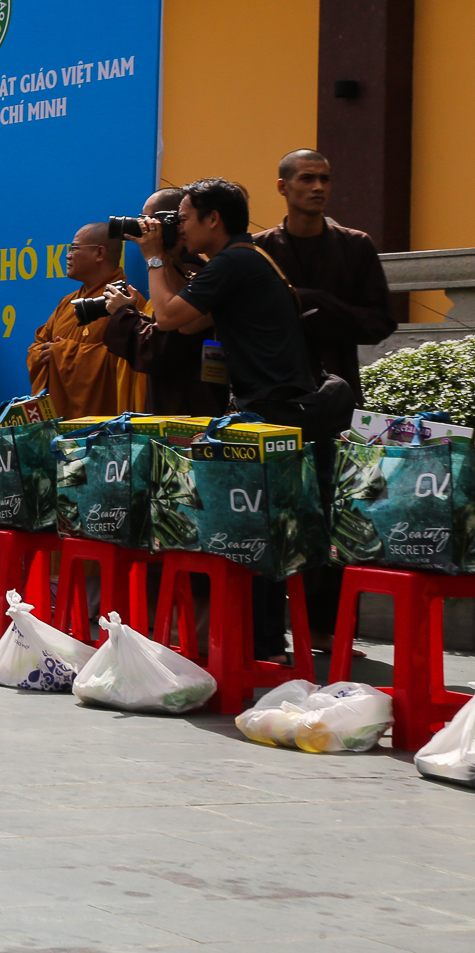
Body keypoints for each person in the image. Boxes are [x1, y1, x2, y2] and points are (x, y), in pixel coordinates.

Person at [141, 177, 347, 659]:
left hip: (269, 410)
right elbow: (191, 320)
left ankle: (257, 644)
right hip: (282, 409)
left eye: (186, 219)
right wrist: (169, 261)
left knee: (251, 534)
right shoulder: (247, 260)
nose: (180, 228)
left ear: (214, 219)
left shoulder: (234, 261)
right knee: (261, 534)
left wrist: (153, 257)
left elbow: (168, 318)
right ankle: (263, 642)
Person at [251, 150, 396, 402]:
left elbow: (380, 321)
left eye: (325, 179)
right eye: (307, 179)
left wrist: (317, 304)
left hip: (339, 388)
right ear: (282, 187)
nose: (318, 187)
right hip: (272, 391)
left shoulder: (355, 245)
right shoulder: (258, 250)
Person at [101, 189, 228, 417]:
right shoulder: (173, 269)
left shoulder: (194, 274)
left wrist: (124, 314)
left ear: (173, 223)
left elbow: (160, 350)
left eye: (147, 220)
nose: (141, 227)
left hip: (190, 409)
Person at [27, 223, 146, 419]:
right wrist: (49, 353)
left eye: (74, 248)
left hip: (103, 428)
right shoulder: (67, 303)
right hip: (60, 424)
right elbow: (37, 349)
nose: (68, 255)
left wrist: (64, 353)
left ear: (99, 253)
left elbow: (128, 364)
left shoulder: (128, 302)